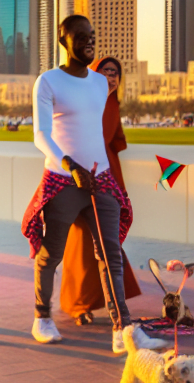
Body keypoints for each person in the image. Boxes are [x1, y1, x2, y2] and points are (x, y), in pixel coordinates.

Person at [22, 15, 166, 353]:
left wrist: (100, 171)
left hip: (100, 180)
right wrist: (70, 166)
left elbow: (93, 131)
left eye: (93, 36)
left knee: (110, 254)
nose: (90, 41)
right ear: (64, 41)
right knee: (51, 254)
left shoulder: (100, 84)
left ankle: (123, 330)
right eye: (82, 36)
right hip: (63, 180)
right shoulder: (48, 82)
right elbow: (41, 134)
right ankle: (41, 318)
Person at [60, 57, 142, 325]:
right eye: (105, 71)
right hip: (83, 177)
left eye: (116, 73)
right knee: (82, 238)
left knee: (107, 241)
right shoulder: (85, 104)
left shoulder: (113, 104)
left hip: (107, 179)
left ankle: (111, 305)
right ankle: (77, 304)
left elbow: (116, 142)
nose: (111, 76)